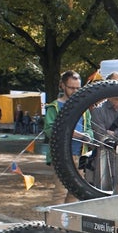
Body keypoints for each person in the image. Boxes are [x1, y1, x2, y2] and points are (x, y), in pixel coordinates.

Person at [44, 70, 93, 203]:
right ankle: (56, 222)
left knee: (76, 192)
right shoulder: (54, 106)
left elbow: (88, 128)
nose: (75, 91)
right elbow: (49, 130)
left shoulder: (84, 107)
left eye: (78, 88)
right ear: (62, 86)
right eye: (71, 88)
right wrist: (71, 134)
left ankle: (71, 222)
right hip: (62, 156)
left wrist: (87, 136)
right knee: (61, 192)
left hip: (80, 155)